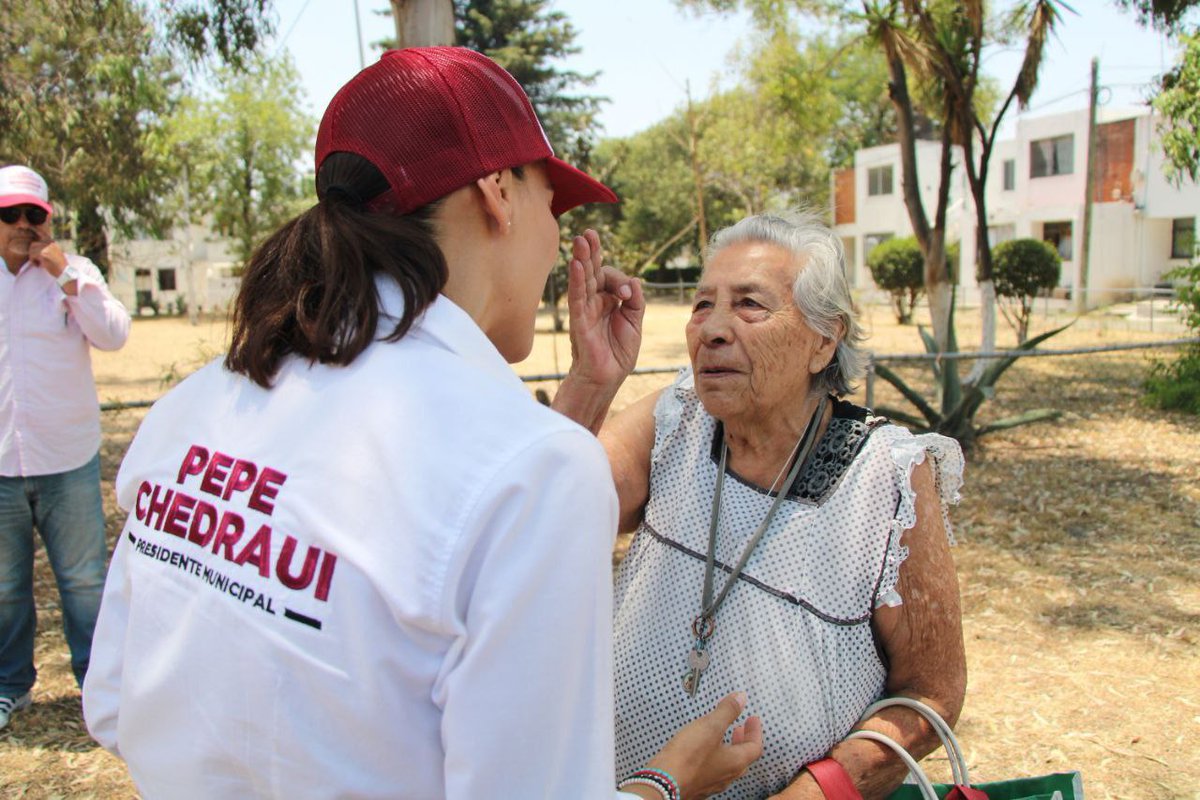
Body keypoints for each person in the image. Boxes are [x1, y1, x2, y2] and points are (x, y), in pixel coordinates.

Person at [82, 47, 761, 799]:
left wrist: (584, 395)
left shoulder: (197, 402)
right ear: (497, 193)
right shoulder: (536, 475)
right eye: (552, 203)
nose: (557, 241)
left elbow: (114, 703)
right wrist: (668, 781)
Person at [572, 211, 967, 799]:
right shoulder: (675, 419)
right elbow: (554, 514)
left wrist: (810, 795)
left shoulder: (886, 477)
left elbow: (930, 695)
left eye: (749, 304)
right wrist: (592, 379)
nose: (712, 329)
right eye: (703, 304)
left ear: (823, 340)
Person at [0, 165, 131, 731]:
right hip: (2, 461)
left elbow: (114, 335)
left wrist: (68, 281)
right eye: (11, 214)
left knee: (83, 581)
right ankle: (10, 687)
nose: (25, 225)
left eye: (35, 214)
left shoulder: (75, 272)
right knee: (4, 587)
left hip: (67, 458)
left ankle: (96, 686)